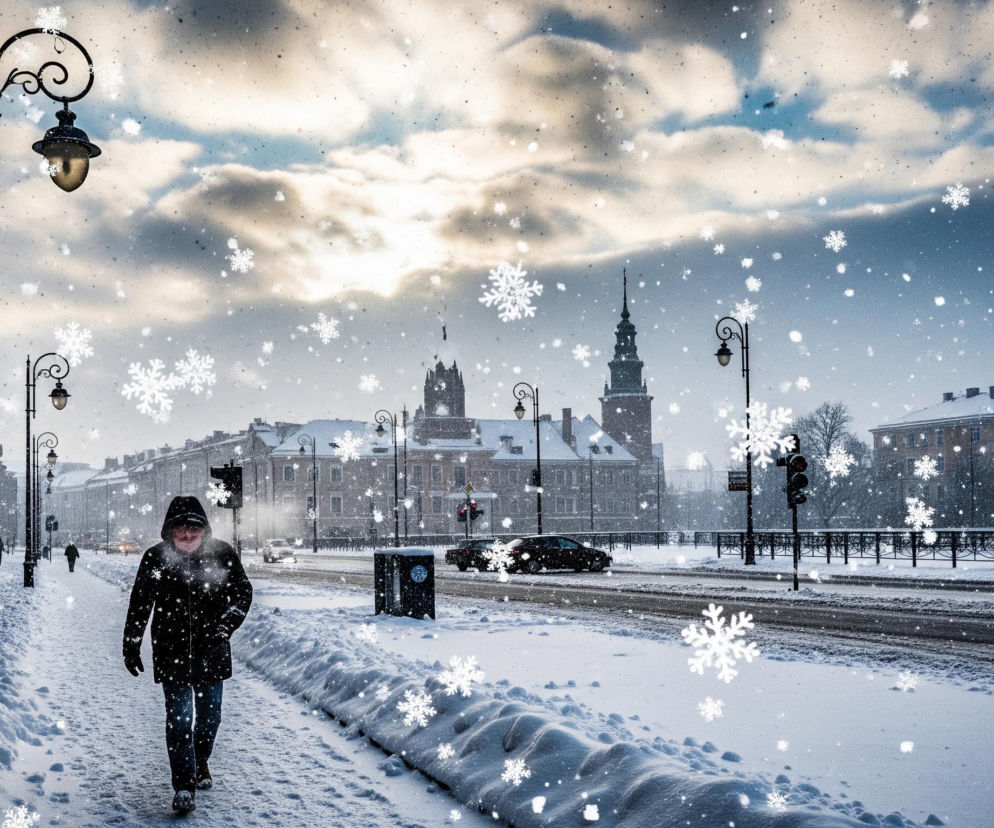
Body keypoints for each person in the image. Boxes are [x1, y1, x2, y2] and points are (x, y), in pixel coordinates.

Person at [122, 496, 252, 814]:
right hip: (171, 653)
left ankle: (199, 761)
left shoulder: (221, 553)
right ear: (170, 530)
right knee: (179, 721)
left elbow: (242, 591)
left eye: (193, 528)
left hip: (212, 652)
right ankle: (183, 785)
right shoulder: (155, 557)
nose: (187, 535)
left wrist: (225, 626)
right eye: (180, 528)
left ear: (203, 528)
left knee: (209, 719)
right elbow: (141, 602)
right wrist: (131, 643)